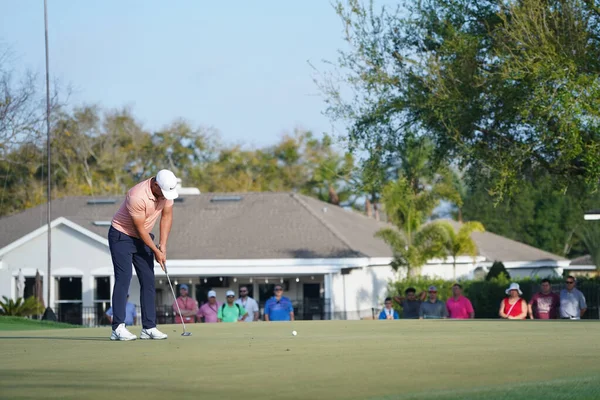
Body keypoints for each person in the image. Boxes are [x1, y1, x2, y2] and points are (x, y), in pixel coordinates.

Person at [108, 169, 178, 341]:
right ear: (155, 185)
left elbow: (166, 217)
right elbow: (139, 229)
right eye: (163, 192)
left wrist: (162, 245)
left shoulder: (165, 194)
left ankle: (149, 327)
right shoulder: (137, 195)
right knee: (124, 278)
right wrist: (155, 250)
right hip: (121, 236)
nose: (165, 196)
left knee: (148, 280)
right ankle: (118, 327)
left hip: (143, 236)